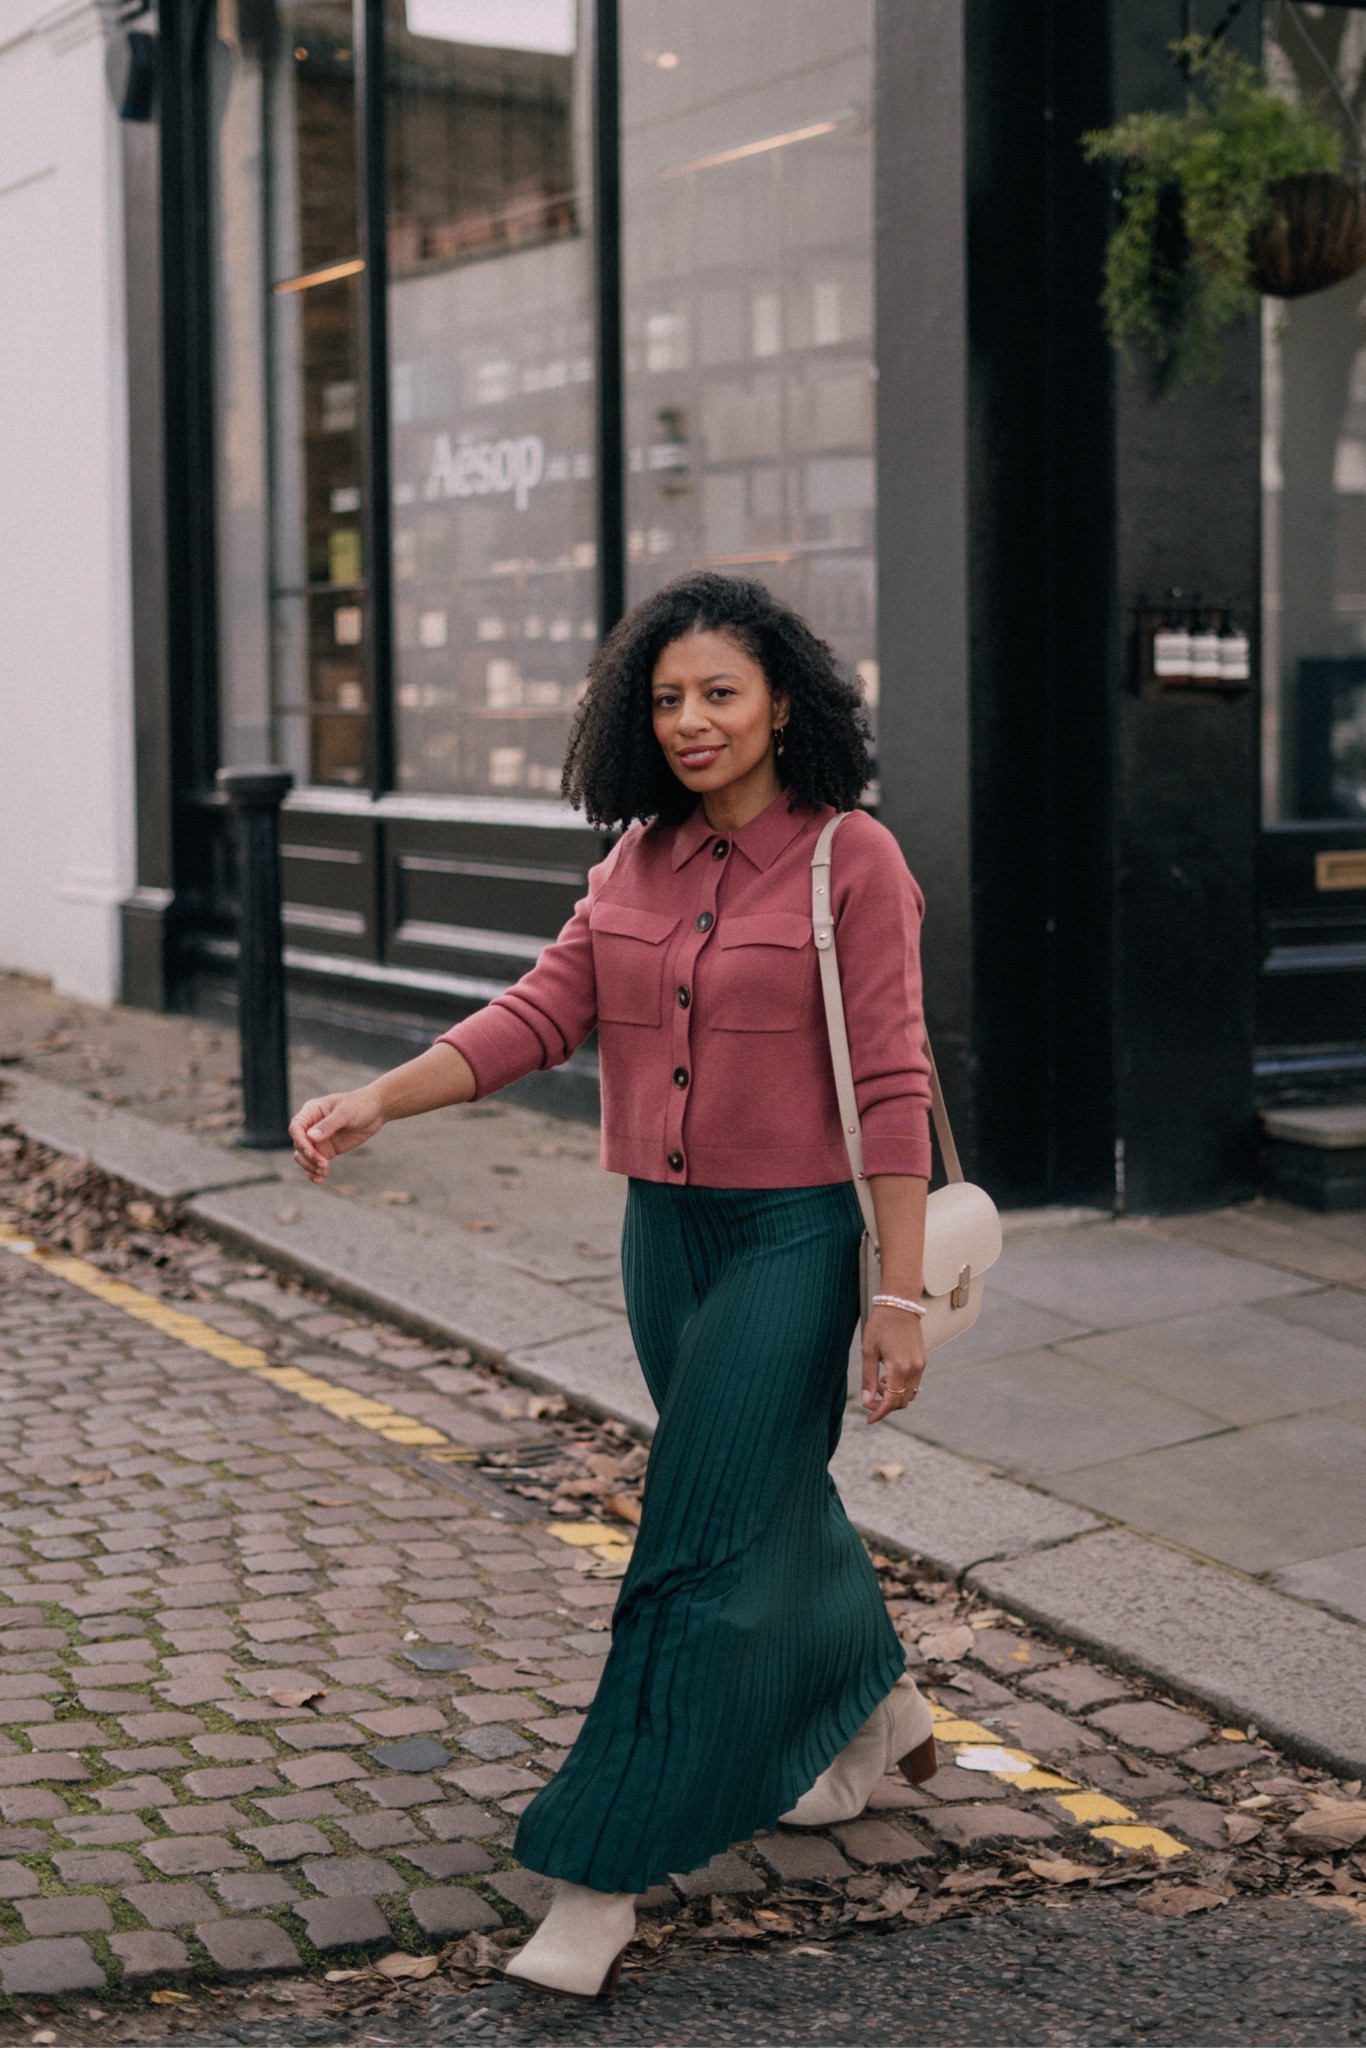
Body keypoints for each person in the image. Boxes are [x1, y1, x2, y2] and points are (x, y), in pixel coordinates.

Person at [288, 571, 939, 1999]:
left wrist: (895, 1293)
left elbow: (891, 1080)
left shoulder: (851, 860)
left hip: (795, 1240)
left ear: (783, 703)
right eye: (666, 697)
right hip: (668, 1240)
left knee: (693, 1545)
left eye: (721, 691)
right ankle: (873, 1705)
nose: (692, 719)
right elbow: (540, 1012)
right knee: (763, 1486)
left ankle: (598, 1872)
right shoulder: (635, 861)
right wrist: (379, 1099)